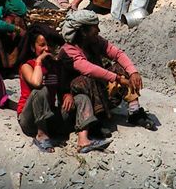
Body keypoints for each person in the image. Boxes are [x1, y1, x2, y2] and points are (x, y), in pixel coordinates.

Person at [17, 25, 111, 154]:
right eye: (42, 45)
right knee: (40, 91)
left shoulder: (55, 66)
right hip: (30, 120)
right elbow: (36, 83)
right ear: (33, 47)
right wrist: (39, 61)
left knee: (81, 98)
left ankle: (83, 141)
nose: (46, 48)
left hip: (47, 116)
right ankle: (41, 136)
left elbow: (62, 88)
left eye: (49, 45)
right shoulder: (27, 66)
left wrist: (67, 95)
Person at [59, 10, 156, 130]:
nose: (98, 31)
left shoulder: (95, 41)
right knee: (88, 78)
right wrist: (118, 79)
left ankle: (134, 112)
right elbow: (89, 69)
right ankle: (96, 119)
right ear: (84, 32)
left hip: (100, 90)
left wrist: (133, 72)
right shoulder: (68, 50)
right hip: (77, 98)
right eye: (95, 28)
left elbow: (117, 54)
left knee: (121, 67)